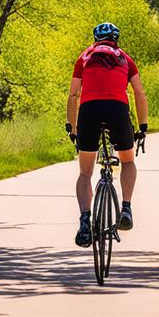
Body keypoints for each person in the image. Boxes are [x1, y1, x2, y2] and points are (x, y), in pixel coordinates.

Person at [66, 22, 148, 248]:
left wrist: (72, 127)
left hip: (90, 110)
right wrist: (143, 126)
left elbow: (74, 95)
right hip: (117, 109)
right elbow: (139, 93)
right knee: (128, 160)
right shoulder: (125, 58)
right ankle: (127, 209)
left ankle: (84, 219)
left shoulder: (84, 57)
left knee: (85, 172)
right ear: (116, 39)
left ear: (95, 39)